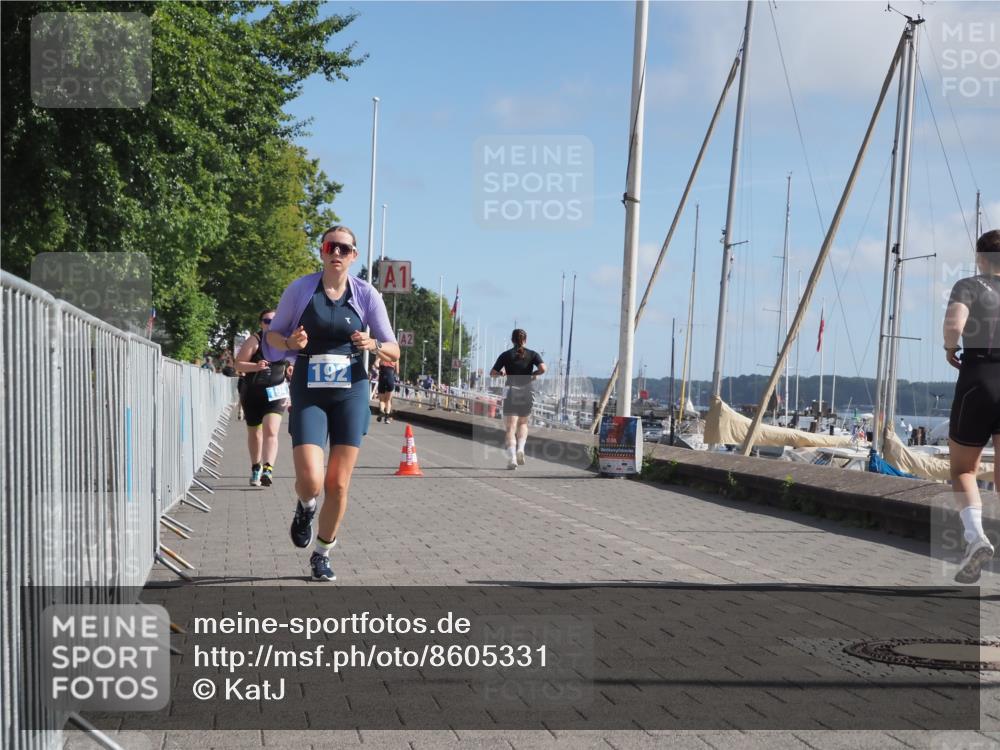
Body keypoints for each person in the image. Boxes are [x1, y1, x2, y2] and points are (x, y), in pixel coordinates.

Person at [266, 225, 399, 582]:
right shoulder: (300, 289)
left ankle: (322, 553)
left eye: (344, 248)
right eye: (331, 246)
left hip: (350, 391)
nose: (336, 253)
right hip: (310, 388)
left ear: (354, 256)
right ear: (322, 251)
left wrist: (373, 346)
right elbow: (273, 336)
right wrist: (291, 342)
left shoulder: (366, 295)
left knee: (338, 483)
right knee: (310, 479)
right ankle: (305, 507)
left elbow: (394, 349)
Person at [944, 229, 1000, 583]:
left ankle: (974, 536)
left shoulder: (969, 284)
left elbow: (954, 325)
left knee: (964, 470)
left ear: (980, 257)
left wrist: (951, 348)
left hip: (979, 377)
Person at [235, 310, 289, 487]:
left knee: (271, 429)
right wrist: (256, 366)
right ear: (261, 324)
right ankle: (255, 466)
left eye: (274, 321)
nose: (270, 324)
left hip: (276, 394)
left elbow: (295, 365)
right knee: (255, 433)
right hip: (252, 394)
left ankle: (268, 469)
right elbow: (238, 364)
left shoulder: (285, 341)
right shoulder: (255, 340)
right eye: (266, 321)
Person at [490, 329, 546, 470]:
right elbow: (543, 368)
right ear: (525, 340)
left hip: (511, 392)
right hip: (527, 391)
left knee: (510, 427)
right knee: (523, 424)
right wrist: (534, 373)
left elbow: (493, 373)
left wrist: (502, 373)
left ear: (512, 340)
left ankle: (512, 458)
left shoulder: (506, 355)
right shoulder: (533, 354)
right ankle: (521, 449)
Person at [376, 355, 398, 423]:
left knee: (382, 400)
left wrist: (380, 368)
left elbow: (375, 364)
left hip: (382, 376)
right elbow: (397, 371)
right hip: (390, 377)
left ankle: (382, 410)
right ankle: (387, 418)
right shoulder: (395, 357)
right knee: (388, 400)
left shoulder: (381, 355)